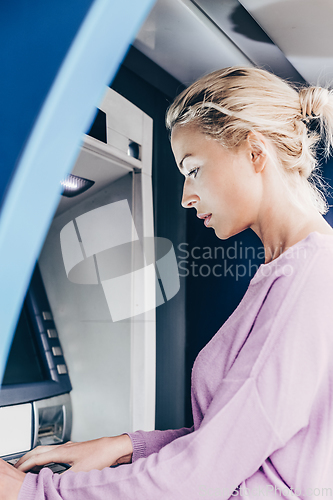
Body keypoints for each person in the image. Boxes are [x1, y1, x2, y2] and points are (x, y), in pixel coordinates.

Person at [2, 66, 333, 500]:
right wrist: (125, 448)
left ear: (255, 153)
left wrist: (33, 492)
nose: (185, 196)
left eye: (193, 170)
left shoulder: (311, 278)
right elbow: (237, 442)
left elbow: (205, 473)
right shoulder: (289, 271)